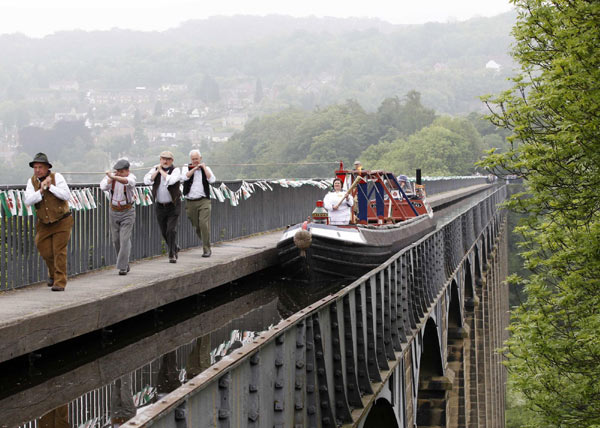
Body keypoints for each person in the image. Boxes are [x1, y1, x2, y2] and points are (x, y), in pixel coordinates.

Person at [23, 153, 73, 292]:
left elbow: (66, 195)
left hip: (62, 220)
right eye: (35, 167)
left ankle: (60, 282)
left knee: (59, 251)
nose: (37, 170)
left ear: (47, 168)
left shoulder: (57, 178)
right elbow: (28, 201)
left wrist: (50, 187)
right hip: (44, 222)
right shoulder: (31, 182)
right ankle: (52, 273)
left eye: (40, 167)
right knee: (44, 249)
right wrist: (41, 190)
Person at [144, 151, 181, 263]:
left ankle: (171, 254)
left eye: (168, 159)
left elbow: (171, 180)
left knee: (171, 230)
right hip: (160, 205)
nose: (165, 161)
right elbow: (147, 181)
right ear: (160, 159)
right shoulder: (155, 169)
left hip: (173, 205)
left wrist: (161, 171)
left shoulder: (176, 170)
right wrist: (157, 171)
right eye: (163, 159)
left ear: (172, 160)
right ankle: (174, 247)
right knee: (164, 231)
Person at [100, 159, 136, 275]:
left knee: (124, 239)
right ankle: (125, 263)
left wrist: (114, 177)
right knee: (116, 239)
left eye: (121, 171)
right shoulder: (112, 178)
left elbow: (127, 181)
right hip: (113, 211)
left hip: (127, 211)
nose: (118, 173)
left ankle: (122, 267)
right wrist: (110, 179)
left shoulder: (131, 177)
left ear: (127, 171)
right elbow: (103, 187)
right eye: (117, 171)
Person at [182, 150, 216, 257]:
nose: (195, 161)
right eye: (193, 159)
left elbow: (212, 180)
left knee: (203, 224)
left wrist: (204, 168)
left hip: (203, 201)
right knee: (196, 226)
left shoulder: (206, 168)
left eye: (196, 159)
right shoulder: (185, 167)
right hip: (190, 201)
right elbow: (184, 177)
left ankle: (206, 249)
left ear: (200, 158)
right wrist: (194, 169)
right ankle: (206, 242)